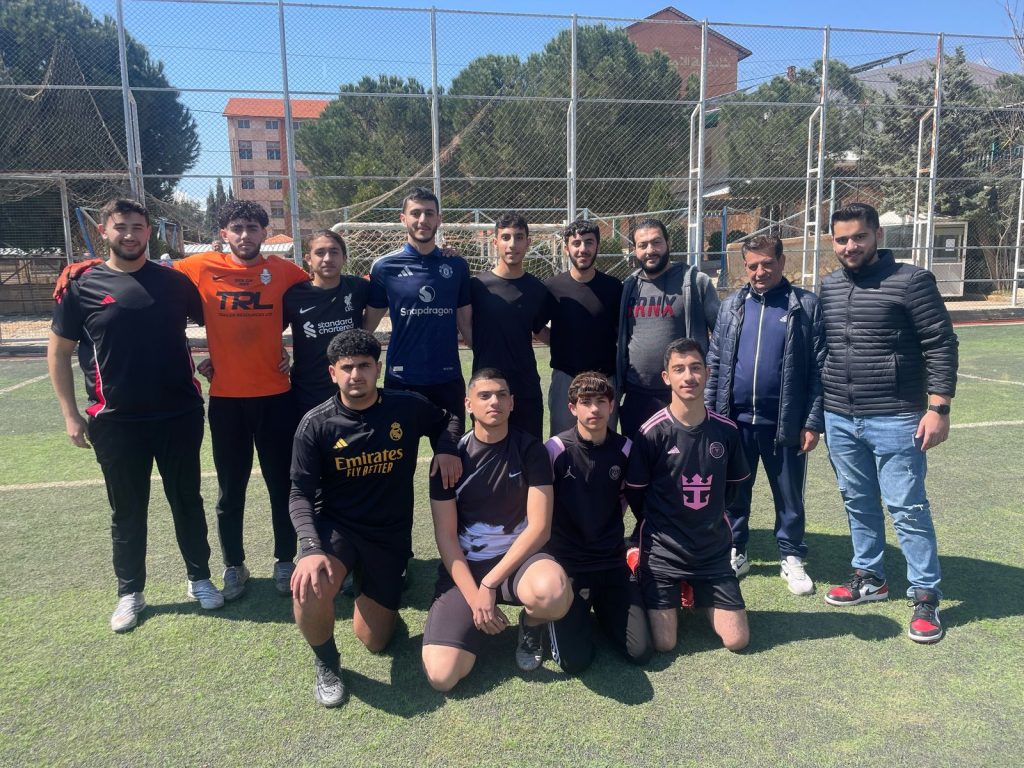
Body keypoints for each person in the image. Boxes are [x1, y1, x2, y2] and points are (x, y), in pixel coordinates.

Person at [47, 198, 223, 633]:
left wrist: (217, 358)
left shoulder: (174, 282)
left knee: (187, 500)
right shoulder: (81, 285)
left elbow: (221, 322)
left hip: (179, 413)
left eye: (138, 227)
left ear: (149, 232)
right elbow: (59, 351)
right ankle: (130, 592)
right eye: (120, 227)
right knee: (127, 509)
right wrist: (70, 414)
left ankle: (199, 578)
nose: (129, 235)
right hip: (115, 420)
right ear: (104, 232)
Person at [288, 329, 462, 707]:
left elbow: (447, 419)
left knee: (375, 641)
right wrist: (310, 548)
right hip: (337, 527)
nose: (356, 375)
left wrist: (447, 449)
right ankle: (327, 661)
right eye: (347, 367)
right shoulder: (316, 424)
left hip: (388, 534)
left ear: (378, 369)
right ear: (333, 372)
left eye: (364, 366)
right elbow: (299, 493)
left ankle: (373, 581)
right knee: (309, 585)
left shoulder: (405, 407)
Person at [819, 202, 958, 644]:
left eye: (858, 236)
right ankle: (870, 577)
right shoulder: (829, 286)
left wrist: (938, 408)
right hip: (840, 417)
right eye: (841, 239)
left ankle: (925, 596)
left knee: (907, 509)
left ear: (877, 235)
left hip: (897, 416)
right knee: (857, 501)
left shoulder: (911, 281)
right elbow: (824, 350)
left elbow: (941, 342)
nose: (850, 246)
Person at [174, 200, 310, 600]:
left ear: (265, 233)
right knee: (230, 490)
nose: (245, 235)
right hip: (227, 400)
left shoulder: (285, 271)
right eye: (237, 228)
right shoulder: (199, 267)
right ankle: (234, 565)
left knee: (281, 485)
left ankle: (285, 559)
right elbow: (149, 278)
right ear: (223, 234)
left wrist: (294, 354)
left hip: (276, 397)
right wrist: (86, 268)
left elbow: (322, 293)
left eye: (252, 227)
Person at [421, 368, 573, 691]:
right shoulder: (450, 460)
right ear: (468, 404)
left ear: (512, 402)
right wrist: (475, 596)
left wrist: (490, 584)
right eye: (485, 395)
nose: (494, 402)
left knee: (554, 593)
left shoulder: (531, 451)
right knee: (442, 677)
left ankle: (531, 625)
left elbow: (540, 529)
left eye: (502, 395)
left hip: (519, 563)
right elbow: (446, 538)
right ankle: (474, 619)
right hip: (468, 567)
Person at [705, 234, 825, 596]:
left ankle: (791, 556)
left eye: (767, 264)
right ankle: (736, 550)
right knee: (733, 493)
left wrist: (812, 421)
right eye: (752, 265)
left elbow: (818, 369)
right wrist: (711, 416)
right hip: (735, 422)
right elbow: (716, 362)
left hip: (784, 424)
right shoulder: (731, 305)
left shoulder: (804, 305)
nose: (760, 272)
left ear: (782, 262)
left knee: (789, 496)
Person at [625, 338, 751, 653]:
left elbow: (733, 488)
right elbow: (637, 496)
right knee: (664, 643)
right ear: (666, 377)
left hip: (712, 553)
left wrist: (706, 520)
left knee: (737, 640)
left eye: (695, 368)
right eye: (679, 369)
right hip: (664, 553)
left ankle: (698, 587)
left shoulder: (726, 431)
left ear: (707, 373)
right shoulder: (651, 432)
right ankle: (636, 558)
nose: (689, 376)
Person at [545, 372, 653, 673]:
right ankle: (565, 615)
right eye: (586, 402)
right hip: (569, 565)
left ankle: (605, 608)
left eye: (601, 402)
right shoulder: (554, 450)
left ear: (611, 406)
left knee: (641, 651)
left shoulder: (626, 449)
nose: (594, 409)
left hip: (611, 561)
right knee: (575, 662)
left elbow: (632, 500)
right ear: (572, 408)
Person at [364, 187, 472, 432]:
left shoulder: (456, 265)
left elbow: (466, 325)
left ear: (439, 219)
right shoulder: (384, 267)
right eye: (415, 213)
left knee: (451, 453)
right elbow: (367, 326)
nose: (423, 220)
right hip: (402, 380)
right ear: (403, 219)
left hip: (447, 379)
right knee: (399, 454)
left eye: (429, 213)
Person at [616, 219, 719, 439]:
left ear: (668, 243)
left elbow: (721, 336)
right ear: (635, 250)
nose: (650, 250)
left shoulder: (695, 282)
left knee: (680, 458)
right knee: (637, 458)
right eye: (643, 245)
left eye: (656, 242)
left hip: (680, 393)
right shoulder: (629, 286)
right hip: (637, 394)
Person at [469, 212, 550, 439]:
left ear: (528, 242)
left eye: (519, 237)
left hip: (525, 386)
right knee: (487, 452)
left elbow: (539, 330)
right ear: (495, 242)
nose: (512, 244)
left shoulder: (537, 288)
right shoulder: (476, 286)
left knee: (529, 452)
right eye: (505, 237)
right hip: (486, 387)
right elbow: (463, 327)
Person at [540, 218, 623, 436]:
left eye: (589, 242)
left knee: (605, 442)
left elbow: (621, 331)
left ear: (597, 246)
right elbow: (537, 327)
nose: (582, 249)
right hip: (566, 378)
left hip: (605, 379)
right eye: (576, 243)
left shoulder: (614, 287)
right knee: (562, 443)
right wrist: (561, 343)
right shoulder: (552, 287)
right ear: (566, 247)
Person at [283, 229, 369, 417]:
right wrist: (277, 351)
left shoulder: (358, 287)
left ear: (344, 258)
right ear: (308, 259)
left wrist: (366, 331)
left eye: (334, 252)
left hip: (351, 387)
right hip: (308, 390)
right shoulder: (294, 295)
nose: (328, 258)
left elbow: (383, 300)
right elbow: (270, 329)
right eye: (320, 252)